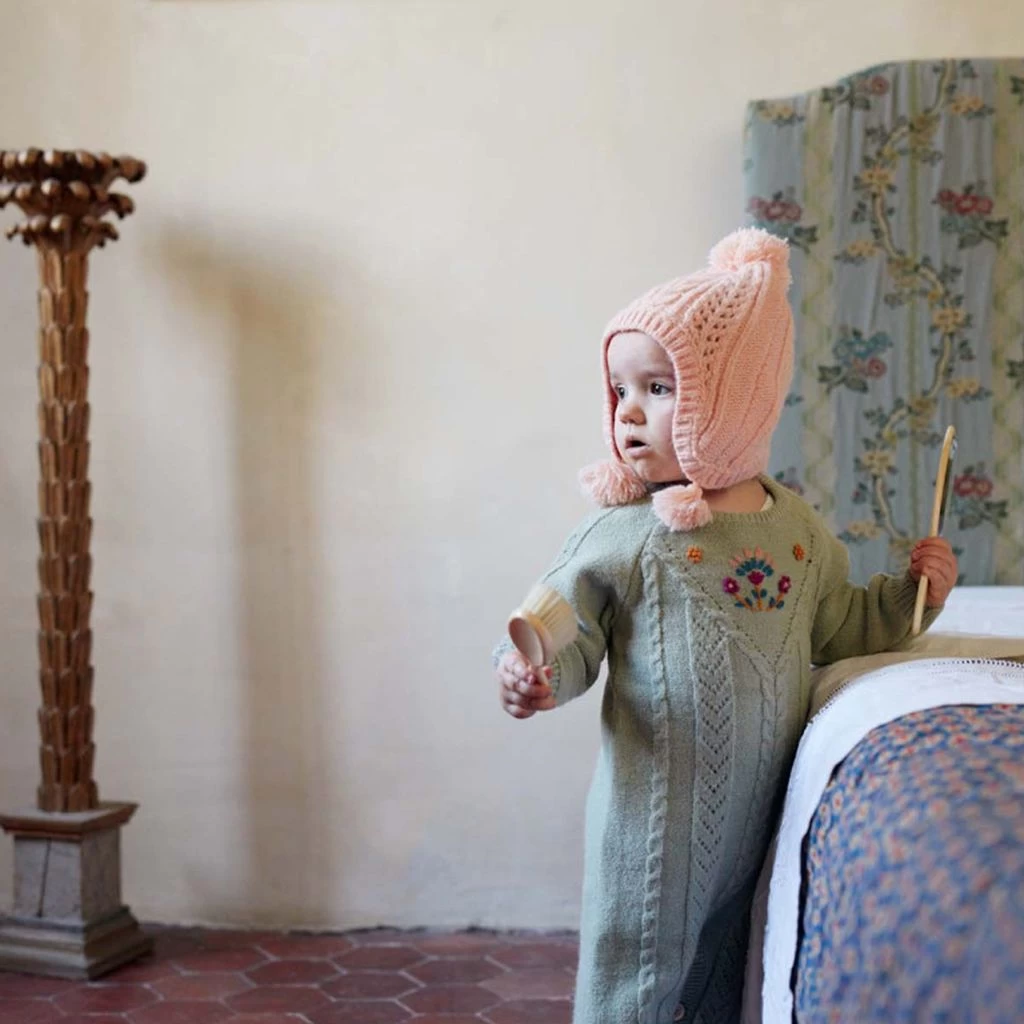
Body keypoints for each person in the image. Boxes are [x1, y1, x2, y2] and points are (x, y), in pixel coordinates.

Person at [492, 228, 957, 1023]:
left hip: (755, 823)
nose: (629, 411)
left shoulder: (795, 529)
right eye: (619, 390)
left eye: (658, 388)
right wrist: (533, 677)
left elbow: (837, 626)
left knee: (720, 976)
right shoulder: (623, 535)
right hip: (654, 831)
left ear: (735, 401)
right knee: (636, 982)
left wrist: (915, 595)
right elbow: (563, 630)